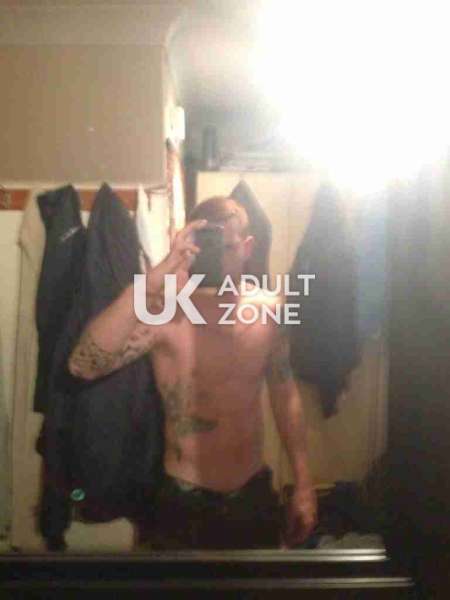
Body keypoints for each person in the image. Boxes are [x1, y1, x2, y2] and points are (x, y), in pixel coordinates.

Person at [68, 196, 317, 549]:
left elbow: (285, 395)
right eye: (207, 247)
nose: (219, 258)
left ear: (247, 248)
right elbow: (83, 365)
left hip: (251, 493)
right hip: (181, 500)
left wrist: (304, 483)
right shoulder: (164, 311)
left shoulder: (270, 312)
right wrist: (153, 280)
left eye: (228, 247)